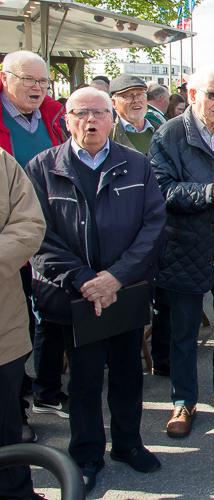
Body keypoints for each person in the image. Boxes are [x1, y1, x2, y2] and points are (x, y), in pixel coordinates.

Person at [25, 87, 166, 494]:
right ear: (66, 119)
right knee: (85, 381)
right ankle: (86, 453)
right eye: (80, 113)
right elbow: (39, 234)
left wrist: (116, 277)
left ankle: (127, 444)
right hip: (76, 296)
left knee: (127, 374)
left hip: (125, 291)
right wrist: (85, 280)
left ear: (112, 118)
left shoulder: (137, 165)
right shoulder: (42, 167)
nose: (91, 121)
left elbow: (153, 226)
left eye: (99, 113)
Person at [149, 66, 214, 439]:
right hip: (184, 247)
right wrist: (210, 193)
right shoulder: (169, 135)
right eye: (213, 95)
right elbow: (161, 190)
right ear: (192, 95)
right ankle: (183, 401)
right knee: (184, 332)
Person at [1, 50, 67, 438]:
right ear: (5, 78)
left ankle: (44, 390)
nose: (37, 88)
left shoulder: (53, 116)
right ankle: (17, 409)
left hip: (49, 234)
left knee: (47, 315)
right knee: (15, 325)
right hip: (10, 247)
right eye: (29, 80)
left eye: (43, 82)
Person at [0, 149, 45, 500]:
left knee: (6, 426)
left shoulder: (3, 163)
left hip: (4, 327)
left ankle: (17, 493)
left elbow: (29, 223)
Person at [110, 75, 161, 155]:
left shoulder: (162, 130)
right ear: (114, 103)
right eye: (128, 96)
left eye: (140, 94)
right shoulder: (107, 135)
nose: (136, 100)